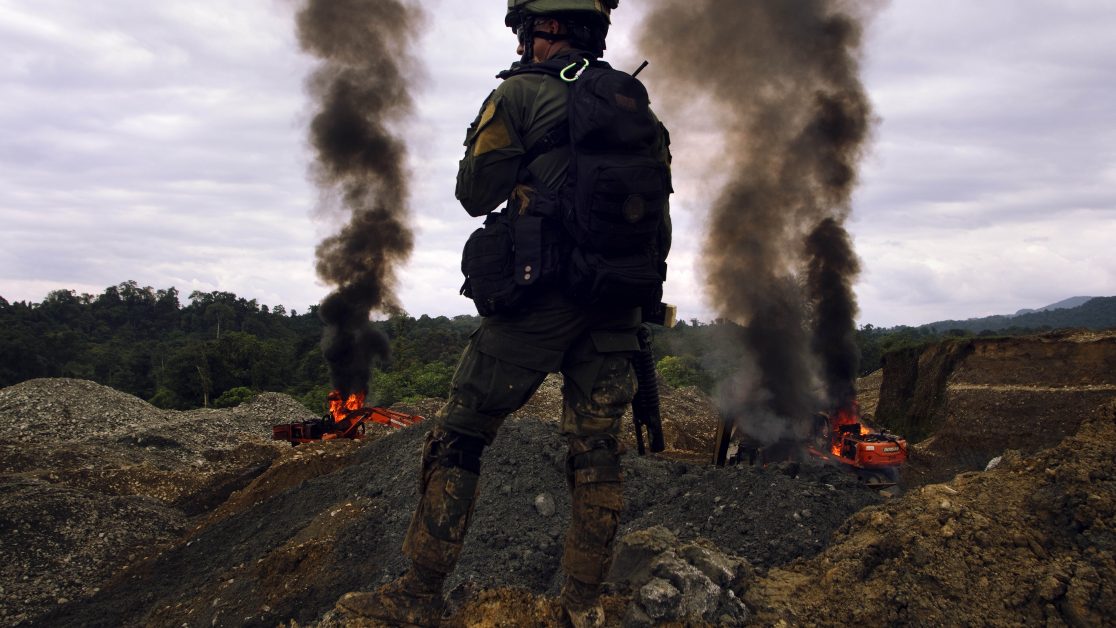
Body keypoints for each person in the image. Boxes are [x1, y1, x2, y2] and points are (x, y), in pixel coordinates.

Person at [338, 1, 671, 625]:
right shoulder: (642, 114)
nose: (522, 43)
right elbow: (660, 228)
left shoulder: (520, 95)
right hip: (615, 309)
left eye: (526, 32)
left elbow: (474, 193)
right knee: (596, 451)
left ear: (547, 33)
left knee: (460, 435)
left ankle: (417, 594)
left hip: (535, 301)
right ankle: (581, 607)